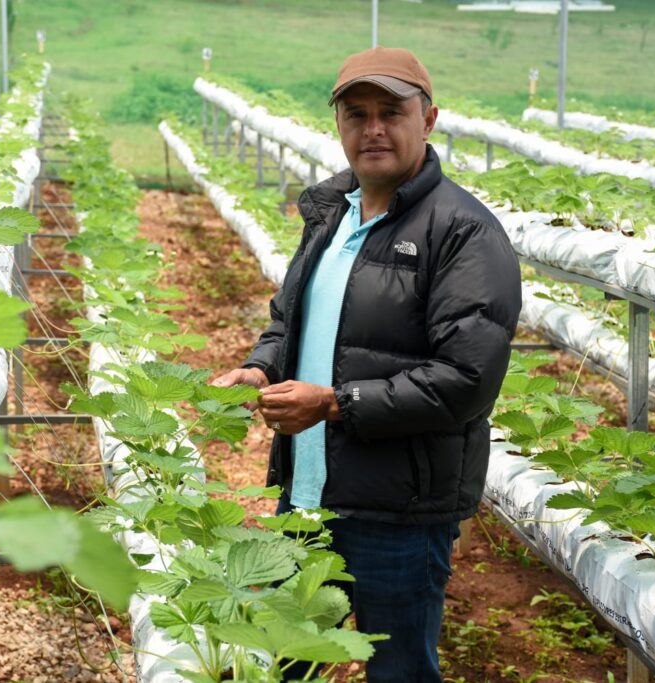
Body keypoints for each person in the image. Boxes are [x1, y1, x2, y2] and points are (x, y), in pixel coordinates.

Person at [212, 46, 522, 682]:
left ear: (428, 119)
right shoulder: (331, 215)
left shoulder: (463, 232)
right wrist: (262, 369)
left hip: (398, 512)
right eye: (357, 114)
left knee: (399, 670)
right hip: (306, 500)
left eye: (391, 112)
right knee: (287, 668)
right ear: (339, 125)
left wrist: (332, 405)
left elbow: (466, 380)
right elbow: (290, 322)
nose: (372, 128)